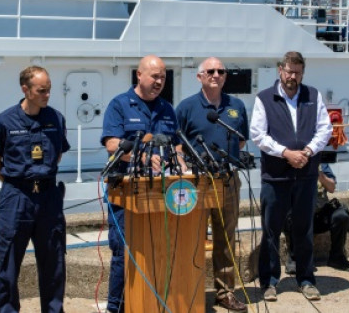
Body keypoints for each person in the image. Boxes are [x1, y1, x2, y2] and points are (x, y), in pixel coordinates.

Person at [0, 66, 70, 313]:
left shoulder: (56, 119)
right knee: (8, 264)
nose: (47, 95)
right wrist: (18, 184)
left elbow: (57, 156)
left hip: (48, 197)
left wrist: (40, 180)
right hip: (17, 197)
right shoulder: (5, 120)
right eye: (41, 90)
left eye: (49, 90)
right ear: (26, 89)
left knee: (54, 264)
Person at [250, 51, 331, 302]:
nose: (292, 76)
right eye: (288, 71)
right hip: (276, 176)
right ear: (280, 70)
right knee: (271, 230)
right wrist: (286, 153)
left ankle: (306, 279)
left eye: (297, 72)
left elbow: (325, 129)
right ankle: (269, 281)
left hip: (305, 175)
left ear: (302, 72)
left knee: (303, 229)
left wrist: (306, 151)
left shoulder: (313, 96)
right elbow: (258, 135)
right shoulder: (264, 98)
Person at [100, 55, 179, 313]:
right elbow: (112, 144)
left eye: (163, 77)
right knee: (123, 253)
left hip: (161, 193)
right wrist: (141, 154)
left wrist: (180, 159)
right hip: (126, 193)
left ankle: (150, 304)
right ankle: (117, 307)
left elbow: (176, 144)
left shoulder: (168, 109)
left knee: (160, 250)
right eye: (154, 76)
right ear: (139, 75)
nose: (159, 81)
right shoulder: (120, 105)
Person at [175, 57, 248, 312]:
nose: (216, 75)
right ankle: (191, 291)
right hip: (198, 182)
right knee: (192, 238)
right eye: (210, 71)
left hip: (227, 180)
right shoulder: (186, 107)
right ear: (200, 77)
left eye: (221, 71)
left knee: (225, 239)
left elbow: (240, 142)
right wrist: (184, 169)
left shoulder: (236, 106)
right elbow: (178, 144)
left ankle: (225, 292)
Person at [283, 163, 349, 274]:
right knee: (294, 214)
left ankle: (337, 257)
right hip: (299, 216)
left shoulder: (320, 164)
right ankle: (294, 259)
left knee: (341, 216)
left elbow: (332, 188)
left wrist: (318, 174)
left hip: (318, 216)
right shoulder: (291, 163)